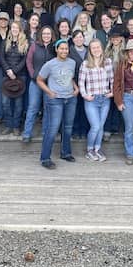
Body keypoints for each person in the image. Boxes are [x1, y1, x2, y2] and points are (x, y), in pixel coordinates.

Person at [37, 39, 79, 169]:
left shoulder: (72, 63)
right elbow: (39, 80)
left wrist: (76, 88)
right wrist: (49, 92)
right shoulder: (50, 64)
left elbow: (70, 77)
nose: (64, 51)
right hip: (55, 100)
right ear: (56, 49)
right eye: (61, 48)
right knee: (53, 128)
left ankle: (65, 153)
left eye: (66, 49)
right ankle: (45, 158)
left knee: (67, 127)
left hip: (70, 99)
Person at [79, 39, 114, 162]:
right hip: (91, 99)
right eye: (93, 48)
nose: (96, 50)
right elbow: (81, 82)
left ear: (102, 48)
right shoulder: (85, 64)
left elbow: (112, 79)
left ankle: (97, 149)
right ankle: (89, 150)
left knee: (101, 126)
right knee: (95, 126)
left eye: (98, 47)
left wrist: (112, 92)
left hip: (104, 99)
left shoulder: (108, 62)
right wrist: (85, 95)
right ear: (90, 50)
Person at [22, 26, 56, 143]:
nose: (46, 36)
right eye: (44, 34)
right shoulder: (34, 46)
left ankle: (45, 132)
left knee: (48, 108)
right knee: (32, 107)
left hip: (49, 84)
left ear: (52, 35)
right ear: (41, 35)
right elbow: (28, 61)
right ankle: (27, 133)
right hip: (35, 82)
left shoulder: (54, 47)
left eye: (49, 34)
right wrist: (33, 75)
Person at [0, 20, 28, 136]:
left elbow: (25, 60)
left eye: (17, 28)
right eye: (13, 28)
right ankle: (8, 125)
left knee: (18, 103)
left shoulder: (25, 42)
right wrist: (8, 70)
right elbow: (1, 57)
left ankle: (16, 126)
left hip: (20, 76)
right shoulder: (5, 42)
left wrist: (14, 71)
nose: (15, 30)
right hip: (6, 76)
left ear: (20, 30)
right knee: (5, 102)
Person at [102, 25, 126, 142]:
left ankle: (115, 127)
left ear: (121, 38)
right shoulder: (107, 51)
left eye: (118, 37)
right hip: (108, 80)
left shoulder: (125, 52)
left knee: (118, 104)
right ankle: (107, 129)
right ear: (110, 39)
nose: (115, 40)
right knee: (109, 104)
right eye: (113, 38)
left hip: (121, 81)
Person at [70, 30, 89, 139]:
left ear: (84, 38)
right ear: (73, 39)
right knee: (75, 108)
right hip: (74, 84)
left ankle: (84, 130)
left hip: (88, 85)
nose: (79, 39)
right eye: (76, 37)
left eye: (80, 37)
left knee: (85, 109)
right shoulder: (70, 51)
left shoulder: (88, 50)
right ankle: (75, 130)